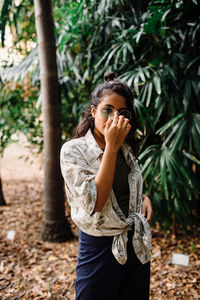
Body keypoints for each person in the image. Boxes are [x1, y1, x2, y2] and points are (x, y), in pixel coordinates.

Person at [60, 72, 153, 300]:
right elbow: (96, 203)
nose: (114, 118)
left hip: (135, 242)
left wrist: (142, 197)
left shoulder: (126, 149)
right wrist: (110, 147)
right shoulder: (73, 150)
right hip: (98, 247)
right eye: (107, 110)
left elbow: (123, 185)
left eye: (122, 113)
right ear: (93, 112)